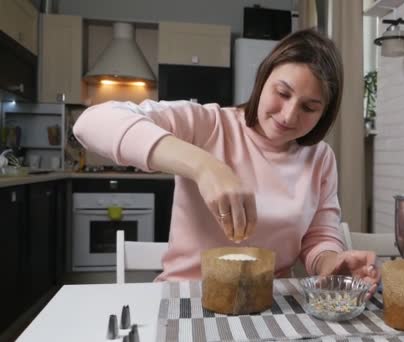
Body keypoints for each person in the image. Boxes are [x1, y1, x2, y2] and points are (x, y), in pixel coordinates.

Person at [74, 28, 379, 293]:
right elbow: (91, 123)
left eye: (309, 108)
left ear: (324, 114)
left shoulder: (320, 158)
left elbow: (319, 238)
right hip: (189, 294)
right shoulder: (209, 124)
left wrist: (330, 261)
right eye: (282, 93)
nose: (289, 116)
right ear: (264, 77)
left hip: (269, 301)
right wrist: (205, 167)